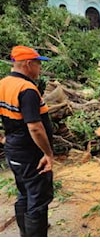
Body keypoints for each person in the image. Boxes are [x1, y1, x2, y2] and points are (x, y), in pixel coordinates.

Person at [0, 45, 54, 237]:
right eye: (38, 64)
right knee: (38, 200)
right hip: (31, 155)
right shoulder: (27, 89)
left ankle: (25, 234)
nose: (40, 68)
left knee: (24, 193)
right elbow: (35, 127)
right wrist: (48, 154)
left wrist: (3, 138)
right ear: (28, 64)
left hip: (14, 151)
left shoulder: (3, 84)